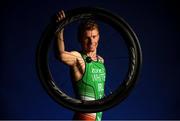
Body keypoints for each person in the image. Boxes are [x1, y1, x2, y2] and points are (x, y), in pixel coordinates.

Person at [55, 10, 106, 121]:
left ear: (99, 37)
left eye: (94, 36)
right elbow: (61, 55)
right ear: (80, 39)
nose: (91, 41)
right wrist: (60, 28)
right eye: (87, 37)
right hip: (85, 117)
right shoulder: (78, 58)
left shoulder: (100, 61)